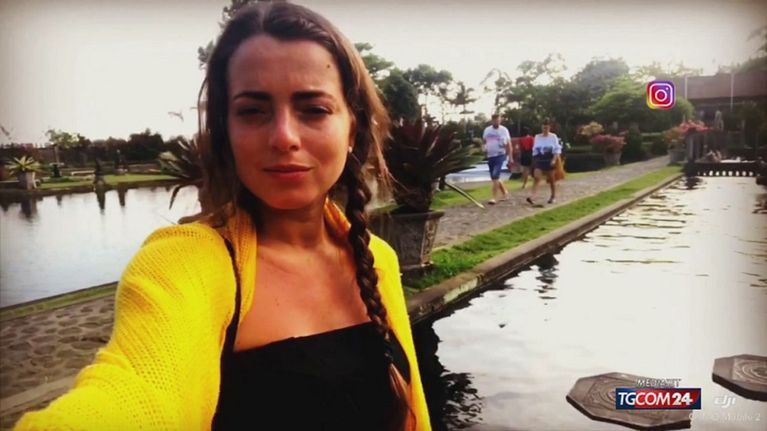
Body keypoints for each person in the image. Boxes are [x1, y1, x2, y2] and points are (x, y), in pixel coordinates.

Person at [14, 3, 429, 431]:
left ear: (352, 130)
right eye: (253, 111)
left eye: (313, 109)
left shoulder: (377, 259)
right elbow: (135, 390)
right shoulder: (184, 266)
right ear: (225, 131)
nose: (283, 137)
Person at [526, 119, 562, 205]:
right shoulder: (537, 137)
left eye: (546, 128)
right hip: (539, 158)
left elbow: (557, 149)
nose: (545, 129)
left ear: (549, 128)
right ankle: (532, 196)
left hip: (549, 158)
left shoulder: (553, 137)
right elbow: (535, 149)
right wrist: (534, 159)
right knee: (537, 177)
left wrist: (554, 159)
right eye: (543, 128)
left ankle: (553, 196)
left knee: (551, 179)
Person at [482, 114, 512, 204]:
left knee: (495, 175)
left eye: (498, 120)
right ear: (492, 121)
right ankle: (505, 193)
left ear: (500, 120)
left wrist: (510, 157)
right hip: (490, 156)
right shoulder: (487, 130)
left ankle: (493, 198)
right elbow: (484, 141)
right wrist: (484, 149)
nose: (497, 122)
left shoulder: (504, 130)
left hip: (500, 155)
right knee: (495, 177)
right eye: (495, 120)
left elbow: (509, 144)